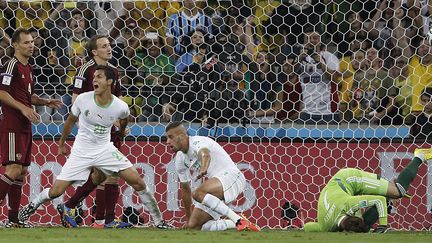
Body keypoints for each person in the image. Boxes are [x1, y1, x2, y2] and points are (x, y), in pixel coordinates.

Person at [17, 65, 170, 229]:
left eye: (99, 77)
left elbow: (124, 120)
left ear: (110, 81)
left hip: (105, 149)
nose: (94, 80)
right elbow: (70, 121)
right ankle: (29, 208)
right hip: (82, 150)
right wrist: (61, 144)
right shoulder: (83, 99)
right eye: (94, 77)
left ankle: (159, 221)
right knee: (56, 191)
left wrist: (122, 131)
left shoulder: (120, 106)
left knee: (137, 182)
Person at [57, 35, 127, 229]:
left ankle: (100, 220)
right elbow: (75, 99)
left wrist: (121, 123)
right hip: (93, 130)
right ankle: (104, 219)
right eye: (104, 46)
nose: (109, 48)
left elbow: (118, 98)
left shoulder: (113, 71)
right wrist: (83, 123)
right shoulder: (85, 69)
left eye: (110, 45)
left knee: (106, 175)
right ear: (94, 51)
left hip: (111, 127)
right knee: (105, 173)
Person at [0, 28, 62, 228]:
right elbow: (2, 92)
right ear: (15, 45)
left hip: (25, 125)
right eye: (26, 42)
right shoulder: (11, 65)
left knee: (23, 171)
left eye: (32, 42)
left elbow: (28, 97)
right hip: (12, 124)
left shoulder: (29, 67)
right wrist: (24, 108)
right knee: (14, 168)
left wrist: (44, 101)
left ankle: (14, 219)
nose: (31, 45)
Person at [304, 147, 431, 233]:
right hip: (339, 192)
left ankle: (420, 155)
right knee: (364, 223)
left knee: (399, 191)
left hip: (349, 179)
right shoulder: (324, 226)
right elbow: (307, 226)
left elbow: (379, 200)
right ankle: (389, 199)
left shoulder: (349, 204)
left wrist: (383, 225)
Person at [165, 122, 260, 231]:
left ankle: (238, 220)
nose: (167, 142)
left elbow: (205, 154)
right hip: (217, 187)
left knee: (198, 193)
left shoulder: (197, 142)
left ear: (181, 136)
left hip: (232, 177)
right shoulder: (180, 159)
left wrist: (204, 167)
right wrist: (188, 219)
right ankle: (236, 223)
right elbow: (185, 190)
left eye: (170, 137)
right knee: (194, 226)